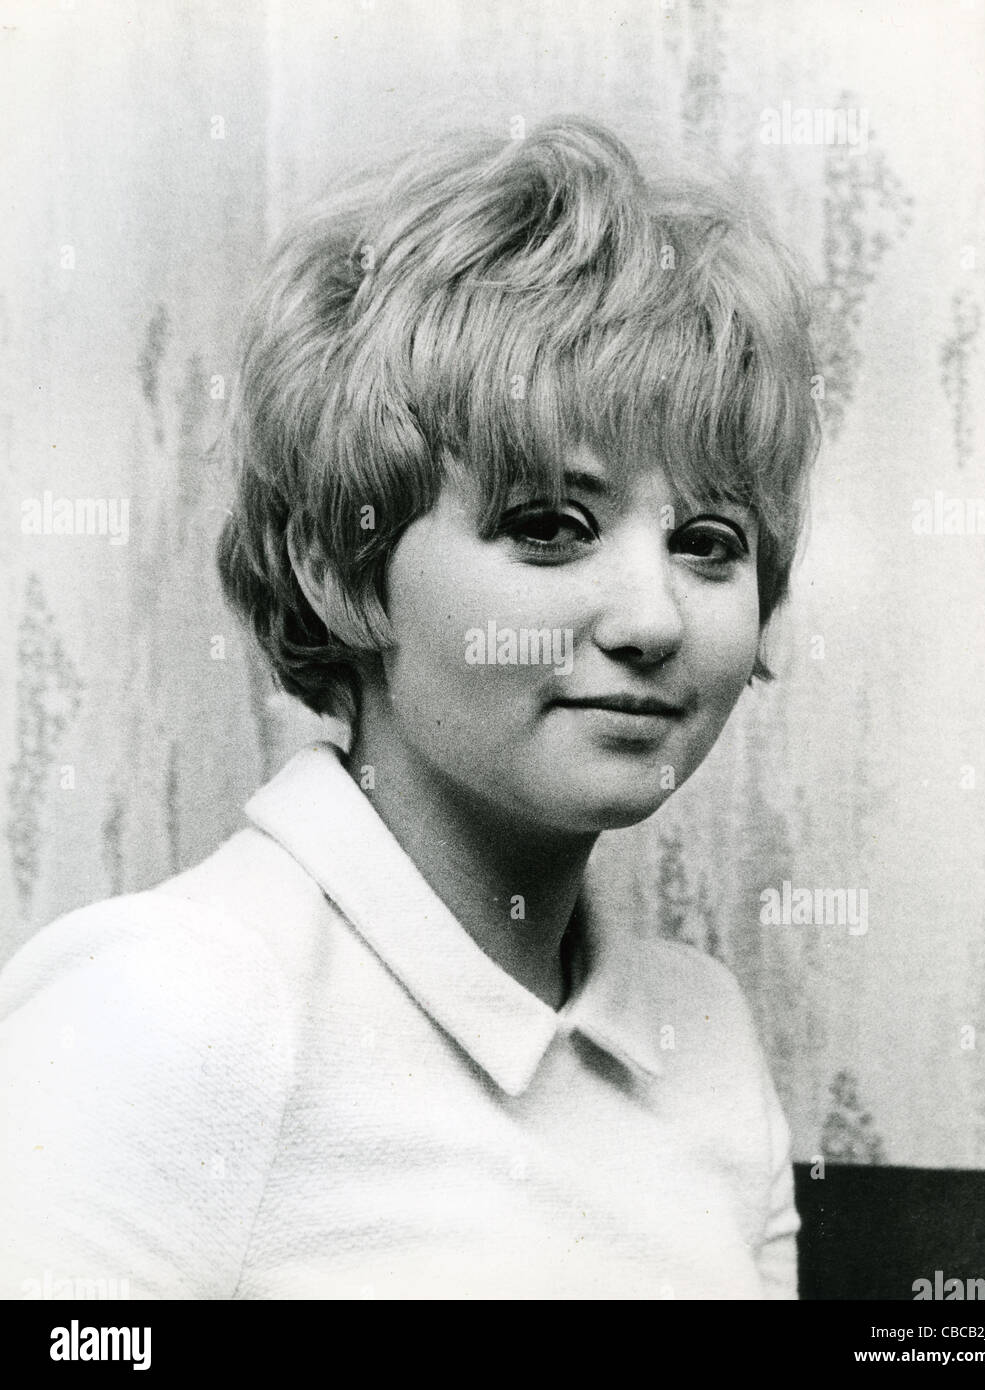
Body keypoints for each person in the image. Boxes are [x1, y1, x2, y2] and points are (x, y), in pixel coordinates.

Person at [0, 116, 820, 1299]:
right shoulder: (166, 1004)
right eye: (548, 525)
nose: (652, 619)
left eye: (707, 542)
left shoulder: (702, 1033)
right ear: (341, 568)